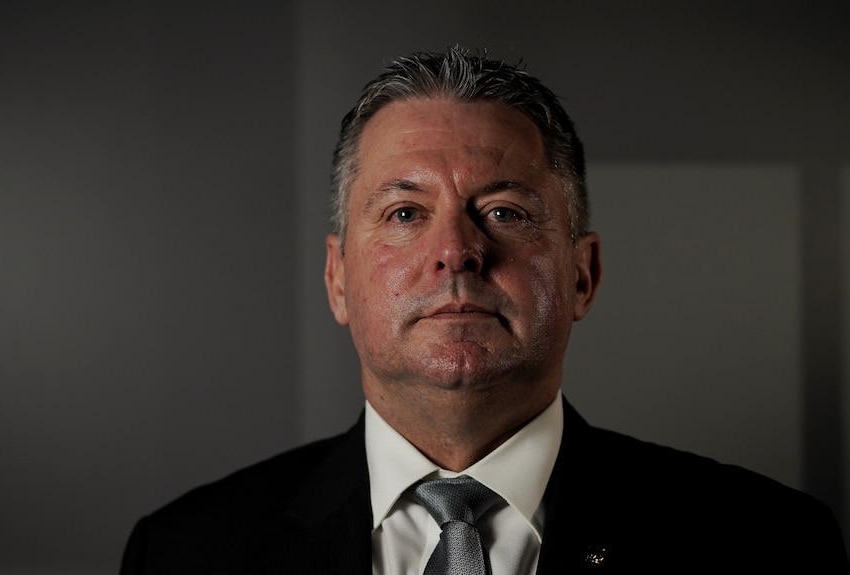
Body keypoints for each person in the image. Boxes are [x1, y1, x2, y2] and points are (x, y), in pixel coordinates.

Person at [119, 46, 850, 573]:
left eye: (502, 211)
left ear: (582, 276)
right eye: (405, 213)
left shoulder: (769, 545)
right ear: (338, 279)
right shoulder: (185, 551)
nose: (458, 251)